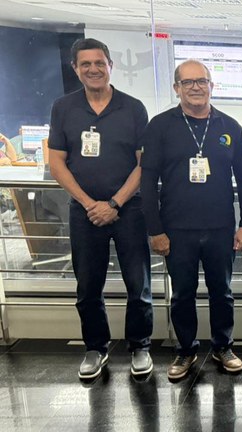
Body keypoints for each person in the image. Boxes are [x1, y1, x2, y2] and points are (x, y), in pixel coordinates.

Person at [140, 60, 242, 380]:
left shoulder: (229, 127)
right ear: (177, 88)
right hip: (176, 229)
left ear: (212, 86)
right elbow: (147, 181)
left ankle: (222, 346)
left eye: (202, 81)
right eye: (188, 82)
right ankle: (186, 350)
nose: (196, 87)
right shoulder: (160, 126)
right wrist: (155, 230)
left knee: (223, 291)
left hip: (220, 227)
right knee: (182, 294)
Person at [48, 38, 153, 380]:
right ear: (75, 69)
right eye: (85, 64)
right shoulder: (63, 108)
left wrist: (114, 203)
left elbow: (143, 165)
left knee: (138, 284)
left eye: (99, 62)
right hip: (84, 212)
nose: (93, 69)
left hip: (128, 210)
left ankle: (140, 346)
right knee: (88, 285)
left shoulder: (133, 107)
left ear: (111, 65)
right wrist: (89, 203)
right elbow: (57, 163)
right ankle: (96, 348)